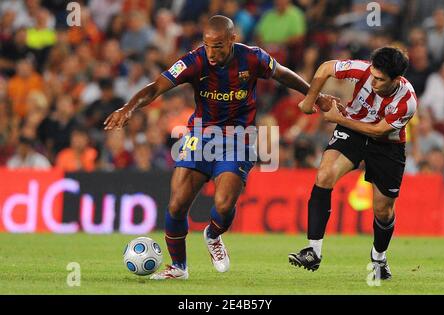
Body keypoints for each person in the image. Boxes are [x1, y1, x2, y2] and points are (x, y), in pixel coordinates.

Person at [104, 15, 336, 280]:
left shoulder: (252, 58)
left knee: (224, 205)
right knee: (177, 205)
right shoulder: (194, 61)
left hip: (239, 137)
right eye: (207, 45)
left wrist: (314, 95)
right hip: (200, 135)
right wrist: (128, 107)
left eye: (218, 46)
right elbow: (156, 87)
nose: (211, 53)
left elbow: (283, 75)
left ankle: (213, 235)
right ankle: (179, 267)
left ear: (232, 40)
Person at [289, 47, 417, 281]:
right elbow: (326, 67)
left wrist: (339, 118)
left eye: (380, 79)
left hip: (387, 146)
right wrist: (310, 100)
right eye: (373, 76)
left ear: (396, 80)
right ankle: (313, 251)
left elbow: (378, 131)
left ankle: (379, 258)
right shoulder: (363, 70)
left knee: (383, 210)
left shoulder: (407, 101)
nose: (374, 82)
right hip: (352, 130)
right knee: (324, 175)